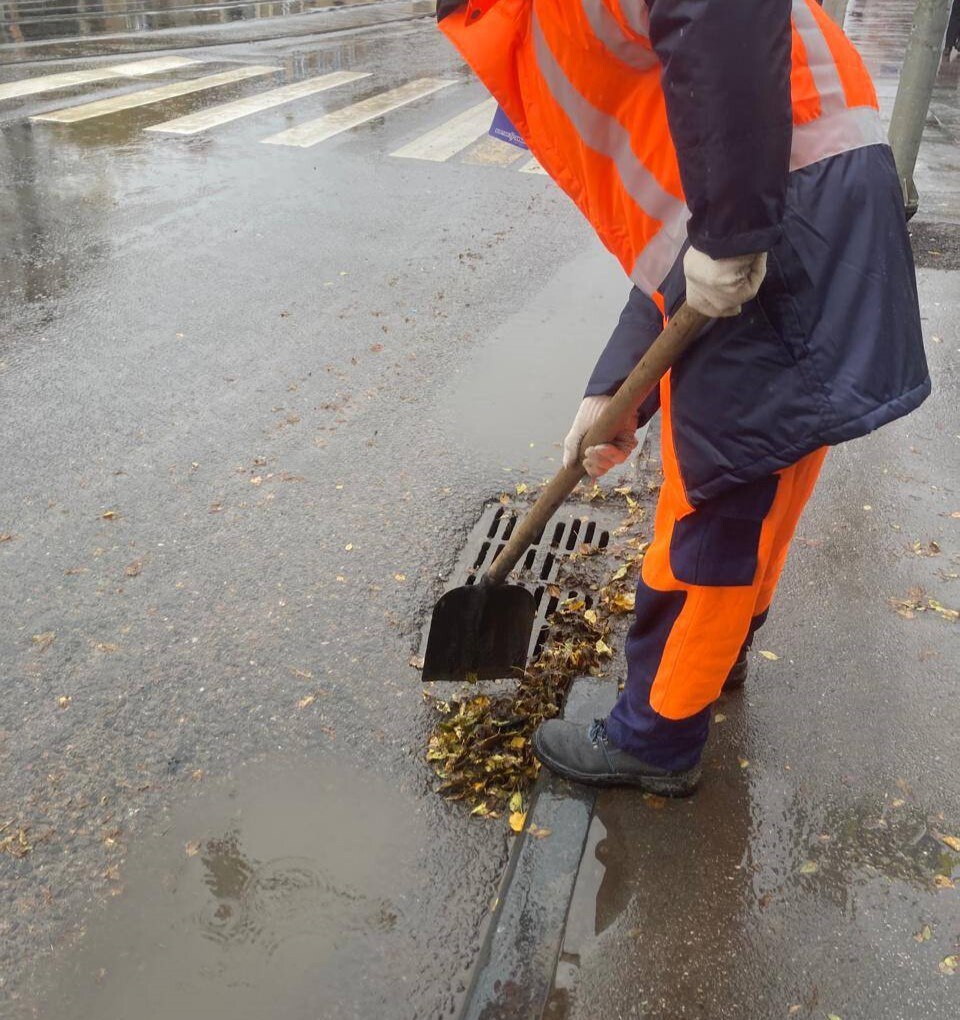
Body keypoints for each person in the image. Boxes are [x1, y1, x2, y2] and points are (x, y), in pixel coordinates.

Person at [437, 0, 930, 794]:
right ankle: (719, 651)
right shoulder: (531, 23)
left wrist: (733, 227)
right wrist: (612, 389)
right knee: (770, 458)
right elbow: (675, 220)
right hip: (807, 193)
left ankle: (656, 732)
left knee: (719, 488)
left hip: (782, 202)